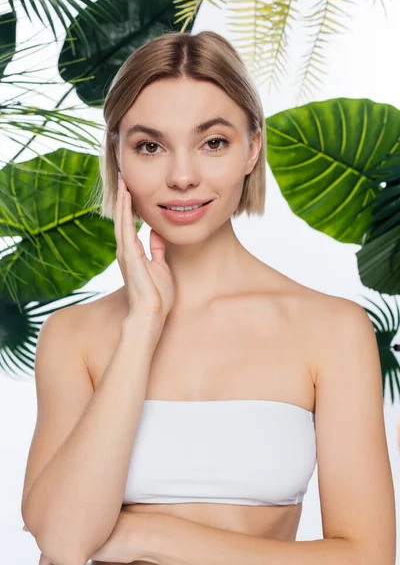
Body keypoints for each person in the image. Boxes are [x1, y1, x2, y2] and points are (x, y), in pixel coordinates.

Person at [22, 30, 396, 565]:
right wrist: (142, 324)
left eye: (212, 142)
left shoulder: (331, 330)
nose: (181, 176)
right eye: (150, 146)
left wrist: (151, 535)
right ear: (118, 157)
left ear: (253, 147)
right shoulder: (74, 336)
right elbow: (61, 539)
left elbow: (368, 557)